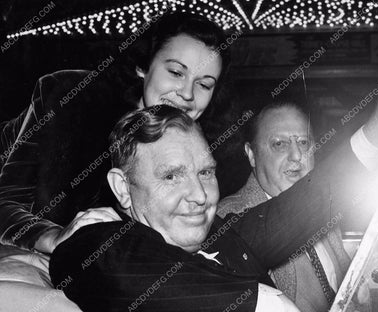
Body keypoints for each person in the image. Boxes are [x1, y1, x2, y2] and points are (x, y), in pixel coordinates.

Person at [50, 23, 378, 312]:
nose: (199, 194)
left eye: (205, 171)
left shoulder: (227, 238)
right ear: (121, 188)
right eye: (172, 176)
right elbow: (109, 265)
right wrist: (275, 307)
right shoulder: (99, 242)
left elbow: (316, 198)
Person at [0, 12, 230, 254]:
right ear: (143, 66)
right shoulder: (72, 101)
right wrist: (55, 236)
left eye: (204, 84)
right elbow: (4, 205)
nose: (187, 93)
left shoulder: (205, 148)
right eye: (175, 72)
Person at [217, 101, 354, 312]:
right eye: (279, 144)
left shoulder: (324, 207)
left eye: (304, 142)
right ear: (251, 154)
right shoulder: (227, 221)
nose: (297, 156)